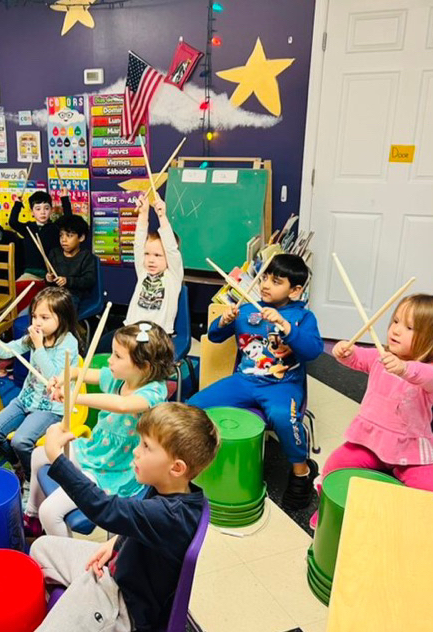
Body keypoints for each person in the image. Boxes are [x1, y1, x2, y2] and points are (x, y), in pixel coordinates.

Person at [29, 402, 220, 632]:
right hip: (119, 565)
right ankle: (82, 597)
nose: (136, 451)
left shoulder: (170, 515)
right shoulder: (170, 489)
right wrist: (115, 542)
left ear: (177, 468)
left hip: (122, 605)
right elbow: (140, 525)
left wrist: (57, 458)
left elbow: (104, 509)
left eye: (147, 447)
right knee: (41, 548)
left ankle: (85, 603)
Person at [312, 294, 433, 527]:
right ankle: (329, 512)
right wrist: (345, 352)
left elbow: (426, 376)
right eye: (395, 321)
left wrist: (403, 368)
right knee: (334, 467)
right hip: (371, 444)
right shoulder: (381, 357)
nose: (396, 330)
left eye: (410, 327)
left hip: (411, 452)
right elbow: (358, 358)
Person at [187, 254, 323, 509]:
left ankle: (302, 471)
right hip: (244, 381)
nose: (266, 285)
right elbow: (214, 337)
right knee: (192, 406)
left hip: (283, 384)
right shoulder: (248, 308)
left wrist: (284, 325)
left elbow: (313, 351)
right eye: (265, 278)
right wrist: (223, 320)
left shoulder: (303, 318)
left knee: (283, 416)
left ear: (295, 291)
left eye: (276, 281)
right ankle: (198, 460)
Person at [25, 322, 173, 536]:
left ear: (145, 366)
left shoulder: (153, 393)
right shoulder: (121, 378)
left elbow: (122, 405)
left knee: (51, 511)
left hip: (117, 469)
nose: (110, 360)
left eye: (118, 356)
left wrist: (74, 397)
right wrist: (64, 377)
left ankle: (67, 562)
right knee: (39, 454)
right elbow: (80, 371)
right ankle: (32, 517)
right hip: (96, 450)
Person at [0, 287, 80, 480]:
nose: (37, 322)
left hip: (52, 406)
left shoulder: (68, 343)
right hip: (25, 399)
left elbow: (52, 377)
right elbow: (7, 351)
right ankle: (18, 464)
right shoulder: (34, 337)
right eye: (35, 316)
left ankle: (30, 478)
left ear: (62, 318)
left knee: (21, 441)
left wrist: (39, 346)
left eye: (45, 317)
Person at [125, 193, 183, 335]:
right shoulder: (143, 271)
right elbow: (138, 243)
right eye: (147, 254)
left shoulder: (173, 277)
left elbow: (171, 249)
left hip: (158, 335)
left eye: (157, 255)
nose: (151, 260)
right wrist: (143, 213)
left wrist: (162, 217)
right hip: (133, 330)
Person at [10, 190, 72, 280]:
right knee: (19, 288)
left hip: (50, 273)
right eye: (38, 209)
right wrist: (17, 204)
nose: (43, 212)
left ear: (51, 210)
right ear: (32, 212)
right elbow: (13, 222)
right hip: (30, 273)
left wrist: (65, 199)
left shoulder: (55, 228)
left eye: (46, 208)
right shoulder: (28, 227)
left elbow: (69, 218)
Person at [46, 214, 97, 308]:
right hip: (54, 294)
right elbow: (51, 280)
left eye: (69, 236)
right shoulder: (54, 253)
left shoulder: (86, 256)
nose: (63, 240)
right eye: (61, 235)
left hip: (74, 296)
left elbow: (89, 280)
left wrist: (68, 281)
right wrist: (49, 278)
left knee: (58, 312)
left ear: (81, 238)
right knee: (35, 307)